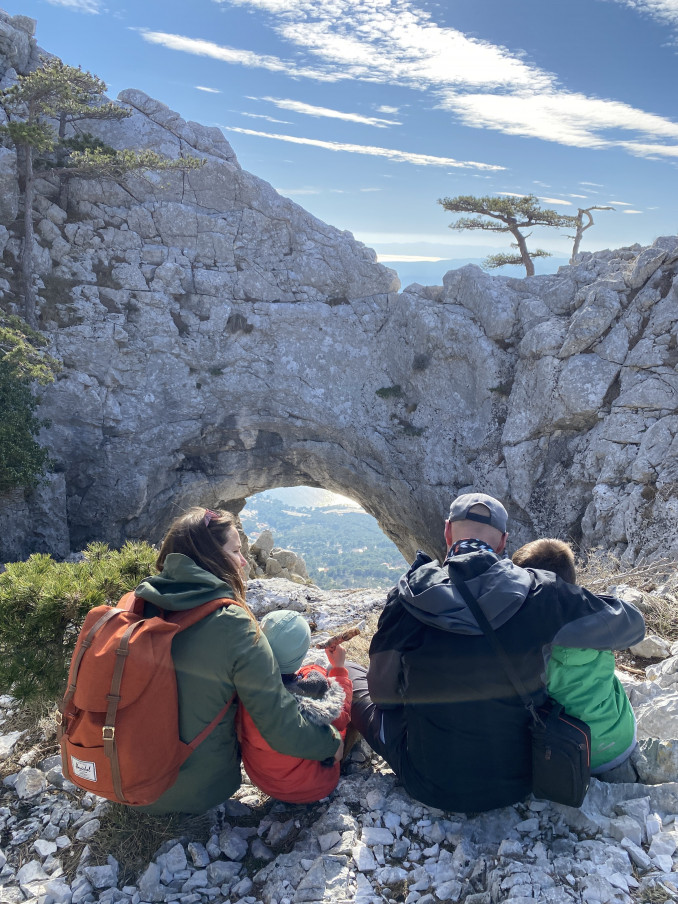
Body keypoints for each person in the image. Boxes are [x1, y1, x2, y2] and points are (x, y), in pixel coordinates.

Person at [348, 493, 645, 813]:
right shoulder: (540, 591)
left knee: (351, 674)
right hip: (519, 782)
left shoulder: (410, 593)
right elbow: (632, 625)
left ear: (448, 533)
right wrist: (568, 603)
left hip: (429, 784)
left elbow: (381, 693)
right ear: (503, 542)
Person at [134, 507, 342, 814]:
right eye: (235, 551)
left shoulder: (144, 602)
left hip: (125, 777)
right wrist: (332, 744)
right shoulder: (231, 624)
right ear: (210, 557)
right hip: (185, 792)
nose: (243, 562)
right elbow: (281, 727)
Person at [512, 538, 638, 782]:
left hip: (575, 754)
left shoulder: (527, 641)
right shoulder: (593, 620)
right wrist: (580, 598)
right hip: (623, 740)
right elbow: (634, 621)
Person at [238, 609, 353, 802]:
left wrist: (311, 670)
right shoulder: (309, 695)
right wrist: (339, 670)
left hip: (263, 780)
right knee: (344, 712)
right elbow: (341, 716)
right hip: (314, 787)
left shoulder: (244, 687)